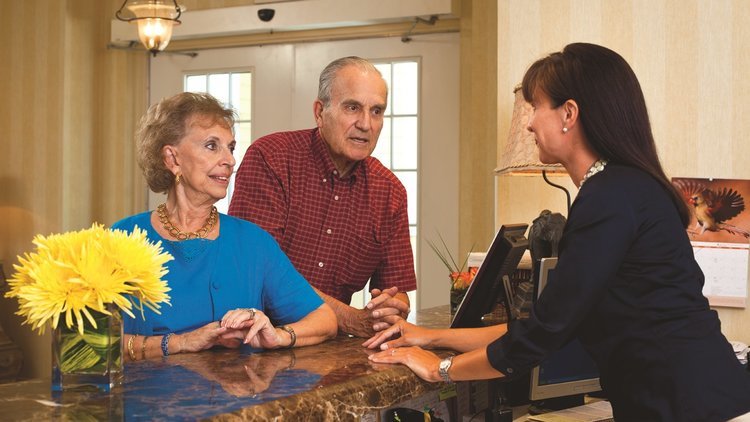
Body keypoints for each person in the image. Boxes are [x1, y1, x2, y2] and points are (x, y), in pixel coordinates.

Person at [365, 43, 750, 421]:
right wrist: (430, 337)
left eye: (536, 107)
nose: (529, 123)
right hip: (703, 398)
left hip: (688, 406)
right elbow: (547, 322)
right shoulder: (627, 187)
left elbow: (543, 333)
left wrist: (439, 369)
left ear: (569, 113)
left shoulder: (609, 197)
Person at [113, 92, 337, 360]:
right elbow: (83, 344)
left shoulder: (253, 243)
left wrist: (278, 336)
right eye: (212, 146)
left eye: (230, 148)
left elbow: (324, 320)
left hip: (237, 388)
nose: (230, 160)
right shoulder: (121, 240)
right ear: (172, 159)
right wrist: (180, 342)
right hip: (145, 389)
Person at [229, 56, 417, 337]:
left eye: (376, 111)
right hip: (252, 339)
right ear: (320, 112)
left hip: (327, 346)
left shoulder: (390, 191)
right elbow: (261, 273)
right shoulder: (271, 158)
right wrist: (351, 319)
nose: (366, 124)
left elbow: (396, 289)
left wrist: (389, 309)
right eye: (352, 107)